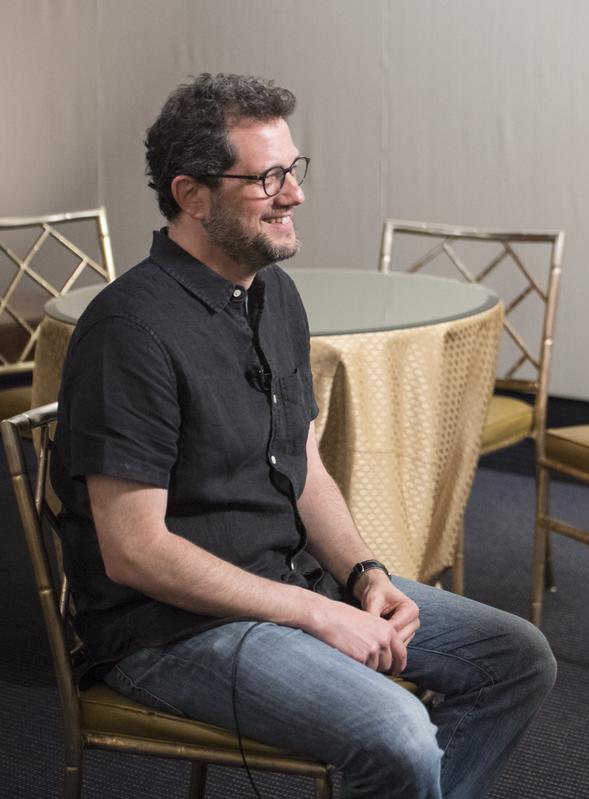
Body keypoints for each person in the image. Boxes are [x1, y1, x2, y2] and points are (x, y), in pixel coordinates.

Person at [51, 73, 556, 799]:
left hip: (288, 584)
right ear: (191, 195)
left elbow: (305, 464)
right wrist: (318, 612)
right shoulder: (129, 331)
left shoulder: (272, 292)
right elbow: (135, 551)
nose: (295, 194)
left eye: (293, 169)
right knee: (400, 734)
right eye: (268, 178)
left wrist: (363, 576)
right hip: (172, 632)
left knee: (517, 658)